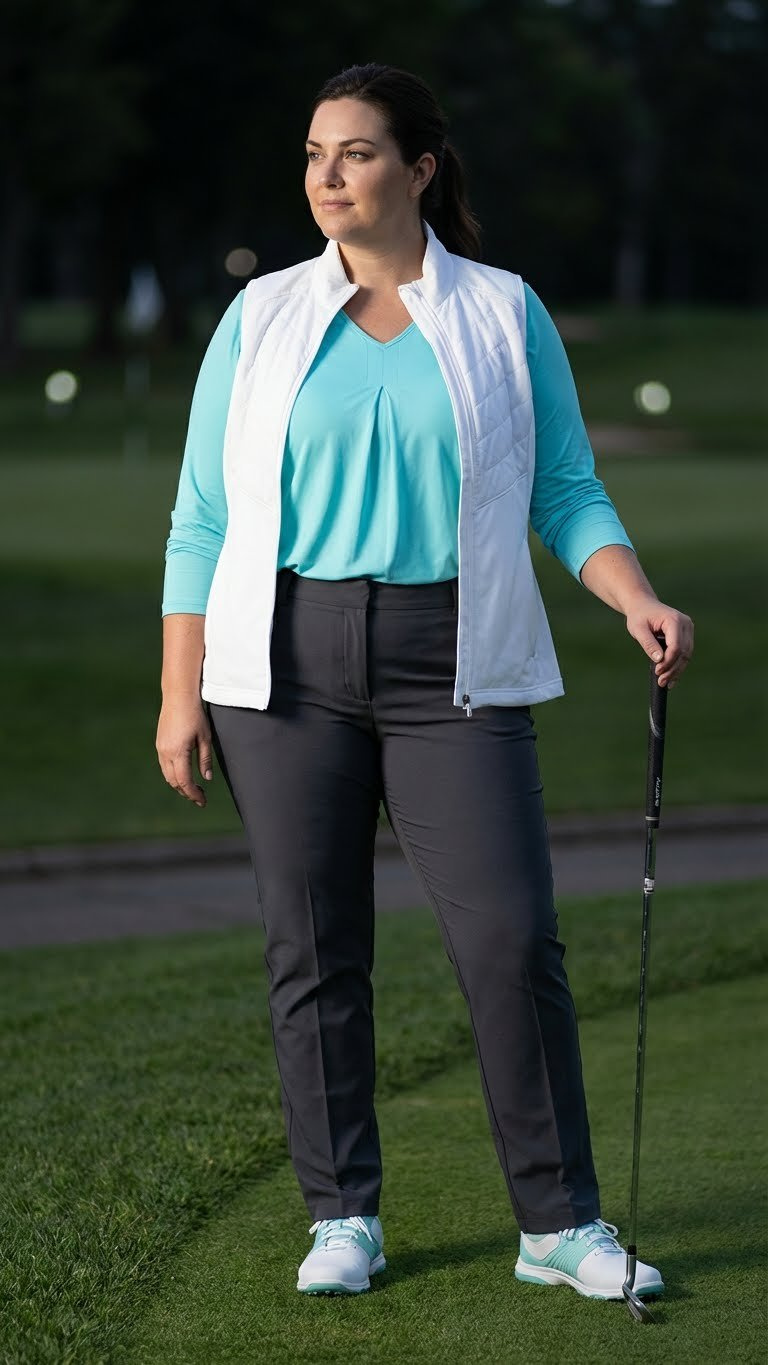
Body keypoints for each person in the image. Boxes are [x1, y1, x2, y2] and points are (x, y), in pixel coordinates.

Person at [156, 62, 693, 1301]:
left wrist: (636, 596)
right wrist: (182, 694)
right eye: (311, 155)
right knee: (314, 947)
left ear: (419, 168)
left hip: (454, 662)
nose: (325, 176)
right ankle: (343, 1216)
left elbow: (566, 488)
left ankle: (558, 1225)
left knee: (511, 939)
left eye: (352, 152)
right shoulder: (262, 318)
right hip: (279, 665)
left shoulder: (505, 312)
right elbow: (200, 519)